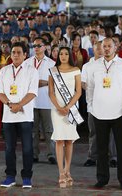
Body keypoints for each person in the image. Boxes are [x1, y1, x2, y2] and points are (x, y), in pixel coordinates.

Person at [87, 38, 122, 189]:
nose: (106, 49)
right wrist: (90, 107)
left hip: (121, 113)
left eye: (109, 46)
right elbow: (89, 88)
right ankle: (102, 179)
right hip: (99, 113)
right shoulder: (94, 66)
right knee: (101, 149)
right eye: (104, 46)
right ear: (100, 48)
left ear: (116, 47)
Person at [0, 42, 39, 188]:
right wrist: (10, 105)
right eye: (13, 52)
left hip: (25, 116)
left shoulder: (31, 70)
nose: (15, 55)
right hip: (8, 116)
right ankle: (10, 176)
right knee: (9, 148)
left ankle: (27, 177)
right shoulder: (4, 71)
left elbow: (32, 92)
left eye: (19, 52)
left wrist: (19, 105)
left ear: (25, 55)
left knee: (27, 148)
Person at [48, 47, 82, 188]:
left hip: (71, 108)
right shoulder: (53, 71)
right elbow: (51, 92)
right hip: (57, 109)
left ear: (70, 55)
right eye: (61, 54)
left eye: (66, 54)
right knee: (59, 139)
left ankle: (68, 170)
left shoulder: (76, 70)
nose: (63, 56)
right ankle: (61, 172)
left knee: (69, 140)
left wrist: (68, 107)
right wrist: (59, 107)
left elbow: (78, 91)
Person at [24, 37, 56, 164]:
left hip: (46, 101)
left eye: (39, 45)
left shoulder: (52, 63)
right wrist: (41, 82)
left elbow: (54, 81)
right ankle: (34, 154)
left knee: (48, 130)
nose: (36, 48)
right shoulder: (27, 62)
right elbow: (24, 81)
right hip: (30, 101)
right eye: (34, 46)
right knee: (33, 130)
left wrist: (41, 83)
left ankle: (51, 154)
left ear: (44, 47)